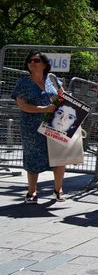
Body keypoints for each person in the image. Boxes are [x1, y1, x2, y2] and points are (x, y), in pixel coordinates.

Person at [12, 52, 66, 203]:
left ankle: (58, 190)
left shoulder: (53, 79)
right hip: (31, 126)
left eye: (36, 60)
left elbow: (63, 97)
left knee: (59, 157)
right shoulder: (23, 82)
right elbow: (22, 105)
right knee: (32, 157)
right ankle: (32, 191)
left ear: (44, 64)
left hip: (55, 125)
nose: (32, 63)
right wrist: (44, 109)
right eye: (29, 61)